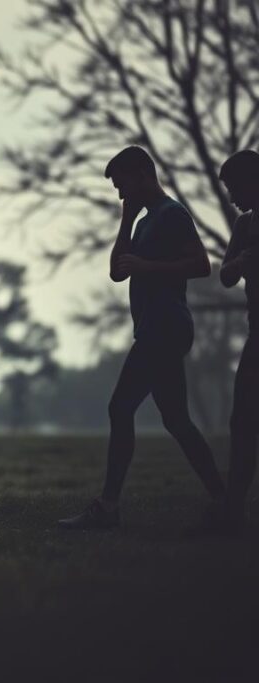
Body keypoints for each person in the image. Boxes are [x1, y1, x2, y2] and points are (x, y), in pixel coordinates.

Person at [59, 146, 226, 530]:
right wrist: (126, 219)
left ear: (141, 175)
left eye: (122, 186)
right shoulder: (142, 222)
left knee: (120, 408)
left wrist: (148, 267)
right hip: (153, 328)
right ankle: (223, 499)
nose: (120, 194)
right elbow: (119, 273)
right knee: (177, 420)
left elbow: (201, 265)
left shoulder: (173, 215)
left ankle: (108, 507)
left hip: (167, 327)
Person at [218, 149, 259, 532]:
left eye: (234, 188)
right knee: (243, 421)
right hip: (256, 335)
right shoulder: (244, 226)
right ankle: (233, 511)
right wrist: (244, 261)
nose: (231, 197)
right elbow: (225, 277)